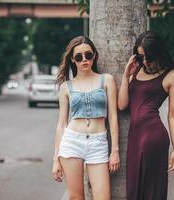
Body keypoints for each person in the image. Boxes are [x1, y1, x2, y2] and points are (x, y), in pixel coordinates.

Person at [52, 36, 120, 200]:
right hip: (72, 142)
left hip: (98, 143)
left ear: (94, 55)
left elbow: (112, 117)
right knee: (76, 197)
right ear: (72, 60)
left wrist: (114, 151)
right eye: (78, 57)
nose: (84, 60)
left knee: (103, 197)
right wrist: (56, 159)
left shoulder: (106, 80)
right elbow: (61, 124)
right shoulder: (66, 87)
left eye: (88, 55)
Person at [118, 31, 174, 200]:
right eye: (140, 57)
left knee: (152, 189)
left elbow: (173, 115)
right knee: (134, 188)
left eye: (148, 57)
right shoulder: (136, 70)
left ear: (158, 54)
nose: (144, 61)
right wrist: (126, 75)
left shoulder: (172, 76)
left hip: (153, 136)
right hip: (135, 137)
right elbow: (122, 105)